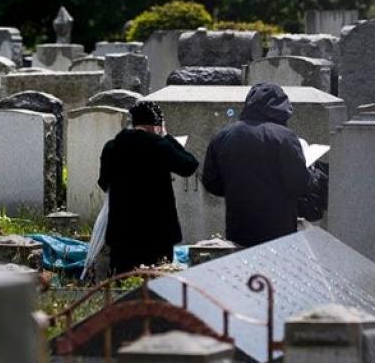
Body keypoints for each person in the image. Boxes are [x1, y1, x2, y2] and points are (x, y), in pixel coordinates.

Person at [202, 83, 310, 247]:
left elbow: (211, 182)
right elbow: (299, 185)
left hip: (239, 225)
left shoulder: (223, 136)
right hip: (279, 227)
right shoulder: (285, 137)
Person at [98, 101, 199, 274]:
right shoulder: (159, 146)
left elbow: (103, 182)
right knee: (155, 283)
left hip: (122, 231)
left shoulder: (112, 146)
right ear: (157, 126)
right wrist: (167, 137)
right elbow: (189, 165)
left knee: (122, 282)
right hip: (156, 231)